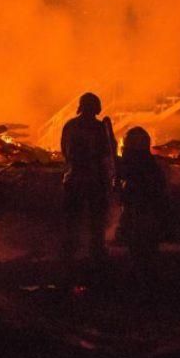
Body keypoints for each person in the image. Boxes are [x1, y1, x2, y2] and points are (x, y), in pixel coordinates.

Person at [60, 92, 117, 264]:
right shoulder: (99, 128)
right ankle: (96, 253)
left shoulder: (70, 125)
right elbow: (109, 152)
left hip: (74, 177)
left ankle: (69, 252)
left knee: (73, 218)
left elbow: (65, 150)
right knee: (96, 219)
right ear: (96, 108)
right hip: (94, 178)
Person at [116, 127, 170, 284]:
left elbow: (133, 185)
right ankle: (146, 277)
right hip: (147, 211)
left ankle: (142, 278)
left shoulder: (136, 164)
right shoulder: (151, 164)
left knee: (140, 246)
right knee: (146, 247)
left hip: (142, 210)